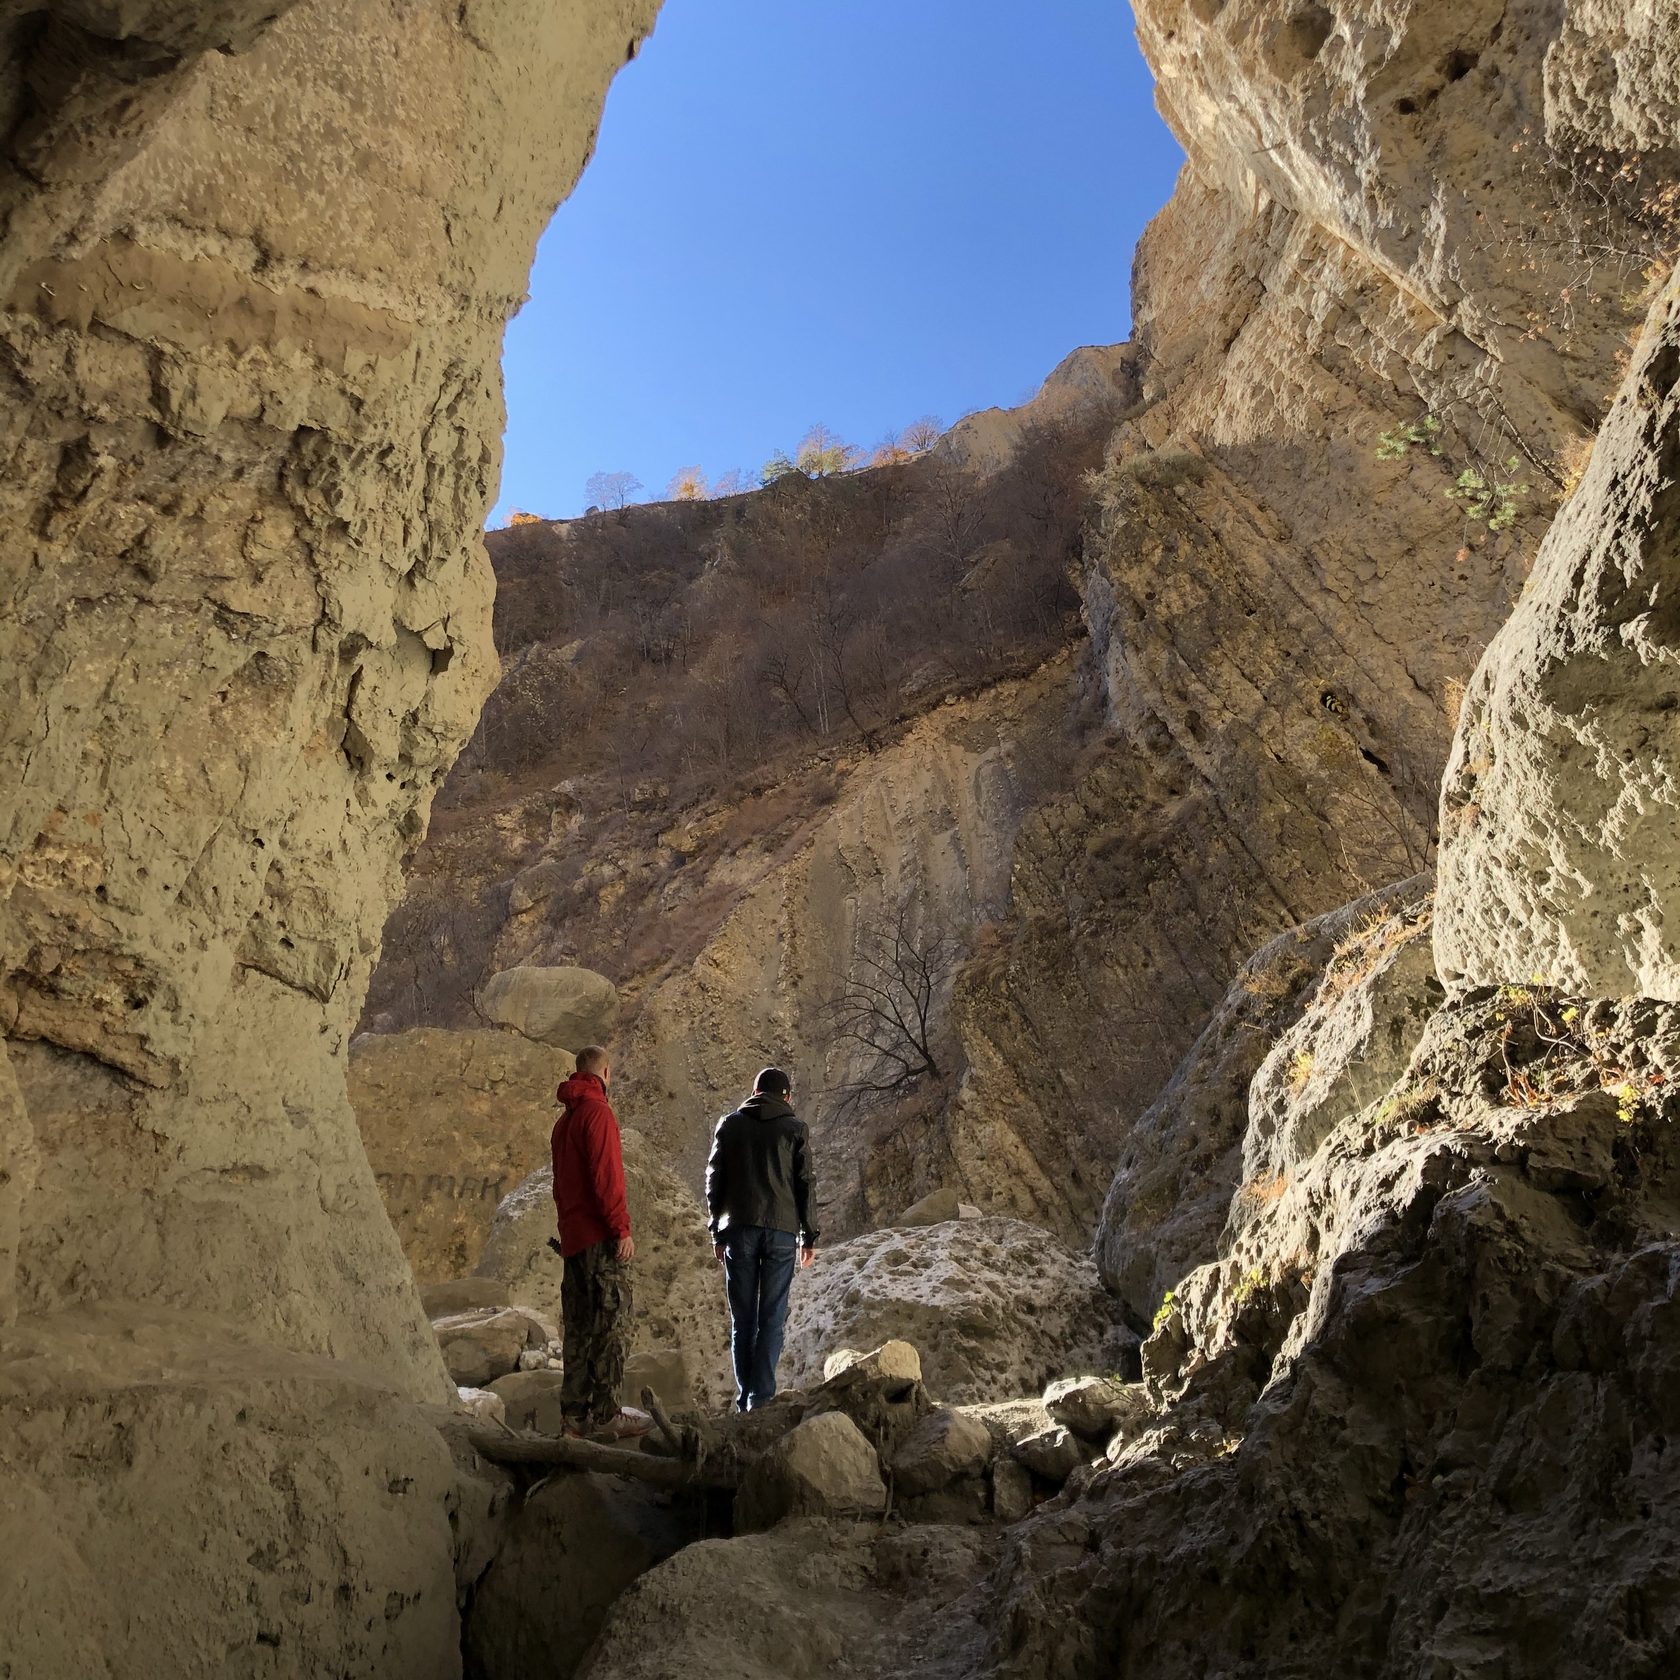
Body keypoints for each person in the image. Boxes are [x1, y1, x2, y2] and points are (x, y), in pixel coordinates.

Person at [704, 1066, 818, 1412]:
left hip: (738, 1229)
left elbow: (714, 1179)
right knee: (772, 1316)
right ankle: (761, 1399)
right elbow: (805, 1184)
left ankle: (744, 1399)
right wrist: (809, 1236)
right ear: (787, 1096)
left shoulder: (730, 1124)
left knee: (743, 1320)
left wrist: (716, 1229)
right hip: (782, 1232)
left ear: (754, 1093)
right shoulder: (795, 1128)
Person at [551, 1045, 646, 1440]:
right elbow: (607, 1178)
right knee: (611, 1325)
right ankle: (606, 1416)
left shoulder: (564, 1122)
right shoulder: (599, 1114)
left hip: (572, 1239)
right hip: (598, 1238)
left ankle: (574, 1417)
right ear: (605, 1073)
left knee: (579, 1329)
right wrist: (620, 1228)